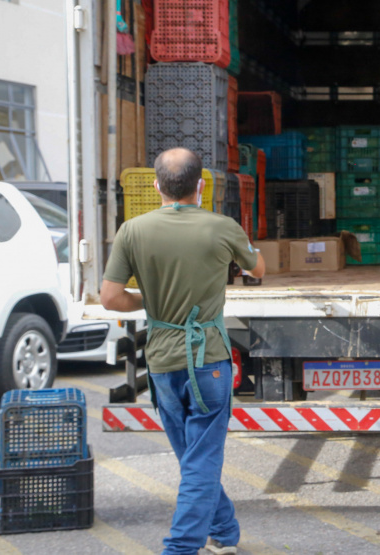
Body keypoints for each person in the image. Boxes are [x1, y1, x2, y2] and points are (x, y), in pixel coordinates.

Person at [100, 147, 265, 555]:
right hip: (208, 359)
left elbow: (110, 297)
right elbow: (257, 270)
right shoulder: (222, 227)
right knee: (200, 460)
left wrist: (152, 303)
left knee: (193, 458)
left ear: (157, 186)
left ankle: (223, 532)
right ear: (201, 186)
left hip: (161, 360)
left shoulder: (132, 231)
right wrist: (249, 252)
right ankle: (181, 548)